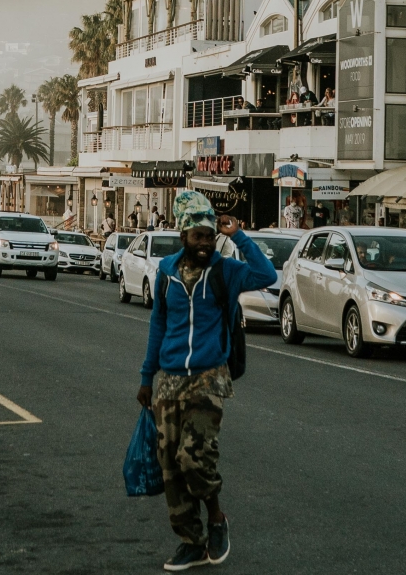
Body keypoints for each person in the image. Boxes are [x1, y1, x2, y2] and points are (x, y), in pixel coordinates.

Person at [137, 190, 275, 571]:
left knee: (194, 458)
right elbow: (158, 325)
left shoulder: (225, 271)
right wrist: (147, 376)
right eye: (198, 235)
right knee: (170, 465)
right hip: (168, 380)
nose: (204, 243)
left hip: (209, 376)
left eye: (209, 235)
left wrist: (239, 236)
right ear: (183, 235)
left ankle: (216, 517)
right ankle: (191, 542)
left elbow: (267, 274)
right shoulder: (166, 272)